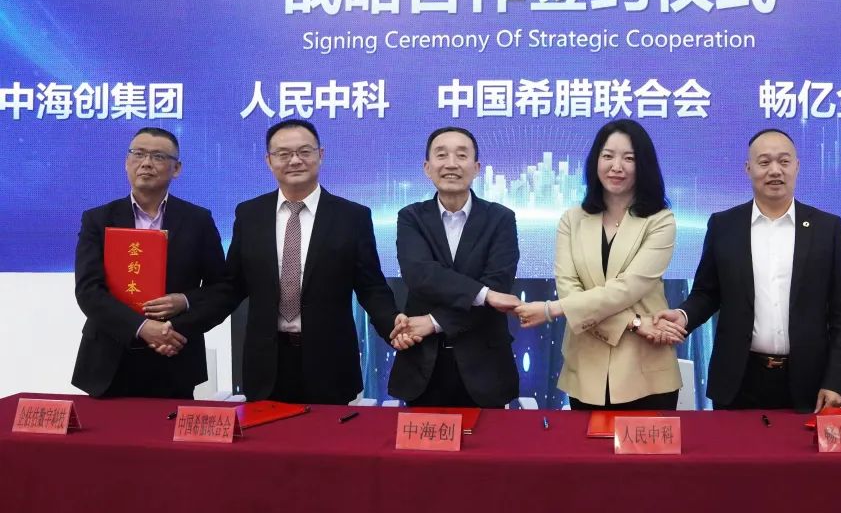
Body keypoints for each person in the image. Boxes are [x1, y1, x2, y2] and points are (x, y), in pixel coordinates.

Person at [195, 119, 406, 405]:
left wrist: (394, 326)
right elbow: (231, 286)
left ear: (321, 154)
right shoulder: (250, 214)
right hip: (266, 364)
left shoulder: (351, 217)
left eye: (304, 151)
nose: (295, 160)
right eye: (283, 154)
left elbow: (371, 287)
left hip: (330, 363)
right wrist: (184, 325)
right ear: (269, 161)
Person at [655, 128, 841, 413]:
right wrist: (684, 315)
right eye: (764, 162)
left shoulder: (827, 228)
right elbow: (707, 293)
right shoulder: (724, 225)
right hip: (738, 380)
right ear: (748, 168)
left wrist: (836, 381)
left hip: (807, 382)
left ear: (797, 167)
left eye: (784, 161)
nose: (775, 170)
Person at [516, 119, 686, 410]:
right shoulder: (572, 219)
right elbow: (569, 289)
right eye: (608, 156)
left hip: (645, 370)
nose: (616, 166)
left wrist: (552, 309)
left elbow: (627, 289)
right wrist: (634, 323)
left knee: (647, 442)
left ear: (643, 166)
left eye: (629, 158)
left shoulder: (660, 220)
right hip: (586, 370)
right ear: (595, 161)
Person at [72, 127, 226, 399]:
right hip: (109, 358)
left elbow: (221, 289)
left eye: (158, 156)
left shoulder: (198, 220)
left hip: (175, 353)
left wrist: (183, 305)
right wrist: (143, 328)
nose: (146, 163)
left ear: (176, 168)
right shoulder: (97, 219)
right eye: (138, 154)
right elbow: (88, 291)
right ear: (126, 162)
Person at [389, 127, 522, 407]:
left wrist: (433, 322)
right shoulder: (411, 217)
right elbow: (420, 275)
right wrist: (484, 294)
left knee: (486, 437)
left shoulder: (501, 219)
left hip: (485, 368)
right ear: (427, 168)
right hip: (424, 367)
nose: (451, 164)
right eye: (441, 155)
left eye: (461, 155)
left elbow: (498, 284)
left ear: (476, 168)